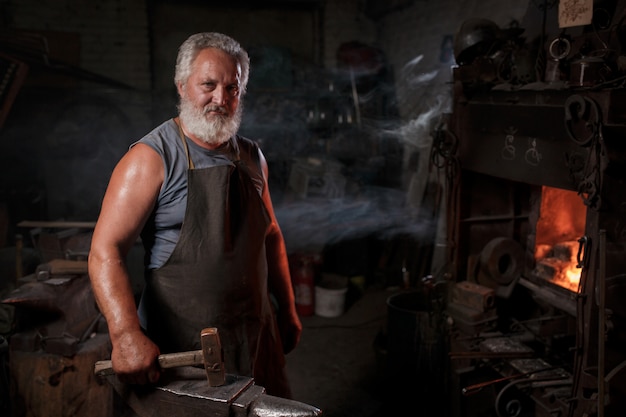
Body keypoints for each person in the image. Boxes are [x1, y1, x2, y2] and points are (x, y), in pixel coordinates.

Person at [88, 32, 302, 398]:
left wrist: (288, 310)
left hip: (255, 335)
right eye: (209, 85)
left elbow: (270, 236)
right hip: (184, 347)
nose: (220, 99)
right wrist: (124, 334)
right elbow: (105, 250)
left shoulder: (252, 157)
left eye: (232, 88)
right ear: (182, 86)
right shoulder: (150, 158)